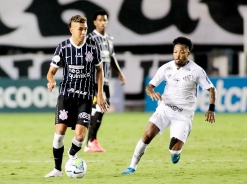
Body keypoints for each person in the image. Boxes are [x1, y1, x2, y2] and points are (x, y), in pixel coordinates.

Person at [121, 36, 217, 175]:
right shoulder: (166, 68)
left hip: (183, 115)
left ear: (188, 53)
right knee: (147, 135)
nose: (178, 55)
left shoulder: (196, 70)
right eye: (175, 52)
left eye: (182, 52)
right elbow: (149, 86)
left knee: (174, 150)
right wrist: (151, 92)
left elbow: (211, 89)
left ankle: (176, 152)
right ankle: (132, 167)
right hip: (165, 108)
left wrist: (211, 109)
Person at [44, 15, 108, 178]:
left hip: (85, 98)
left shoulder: (93, 48)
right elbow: (51, 72)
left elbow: (99, 70)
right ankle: (57, 169)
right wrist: (50, 81)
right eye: (80, 29)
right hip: (66, 97)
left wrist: (100, 94)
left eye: (85, 28)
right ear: (71, 29)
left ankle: (72, 155)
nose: (83, 32)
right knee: (59, 134)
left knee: (80, 136)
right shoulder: (63, 47)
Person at [84, 10, 126, 152]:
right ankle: (91, 141)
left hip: (106, 81)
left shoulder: (109, 39)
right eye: (100, 20)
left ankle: (90, 141)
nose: (103, 22)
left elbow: (112, 58)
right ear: (95, 22)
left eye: (105, 20)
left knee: (98, 109)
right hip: (94, 81)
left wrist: (119, 73)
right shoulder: (90, 39)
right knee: (100, 108)